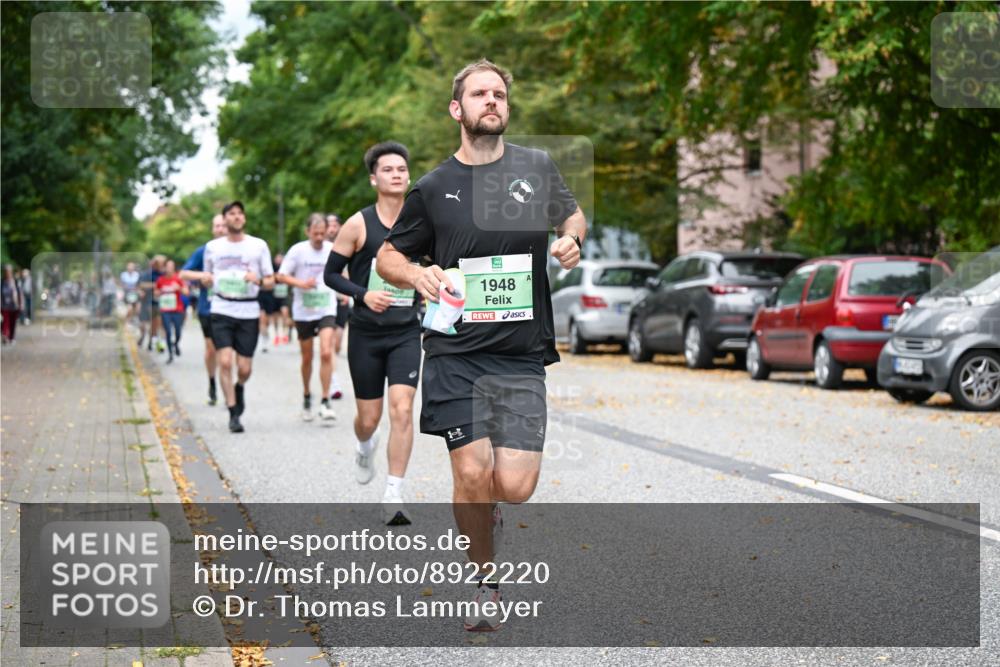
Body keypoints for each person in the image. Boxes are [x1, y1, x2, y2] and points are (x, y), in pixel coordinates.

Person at [377, 59, 586, 631]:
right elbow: (388, 256)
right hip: (454, 352)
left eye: (498, 94)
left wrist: (569, 240)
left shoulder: (536, 167)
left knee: (514, 487)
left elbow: (573, 216)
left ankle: (486, 512)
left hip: (519, 354)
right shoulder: (435, 186)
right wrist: (416, 276)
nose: (490, 101)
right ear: (458, 109)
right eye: (479, 94)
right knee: (470, 470)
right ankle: (483, 582)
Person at [324, 141, 422, 526]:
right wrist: (363, 295)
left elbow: (437, 263)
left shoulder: (421, 221)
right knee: (370, 417)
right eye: (388, 169)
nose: (396, 174)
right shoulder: (358, 224)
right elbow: (330, 274)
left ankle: (394, 493)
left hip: (405, 332)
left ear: (408, 176)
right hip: (366, 333)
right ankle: (365, 446)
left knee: (402, 409)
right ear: (373, 178)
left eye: (401, 169)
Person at [203, 201, 275, 433]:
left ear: (244, 218)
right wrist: (206, 281)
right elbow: (208, 277)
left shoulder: (258, 246)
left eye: (239, 214)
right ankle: (233, 411)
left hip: (248, 310)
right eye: (231, 214)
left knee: (244, 368)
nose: (236, 217)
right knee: (224, 361)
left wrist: (258, 280)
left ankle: (240, 386)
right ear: (224, 220)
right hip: (222, 308)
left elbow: (271, 281)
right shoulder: (213, 247)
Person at [278, 213, 339, 424]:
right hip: (303, 310)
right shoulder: (298, 250)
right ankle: (306, 395)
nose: (320, 237)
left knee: (325, 352)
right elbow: (281, 275)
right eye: (316, 233)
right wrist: (300, 284)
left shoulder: (332, 249)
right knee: (307, 357)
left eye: (322, 233)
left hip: (325, 307)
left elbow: (341, 273)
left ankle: (325, 400)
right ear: (308, 232)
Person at [179, 214, 228, 405]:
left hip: (232, 309)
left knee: (227, 352)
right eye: (217, 226)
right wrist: (203, 276)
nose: (220, 229)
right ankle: (212, 383)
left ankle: (228, 388)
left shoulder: (239, 250)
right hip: (208, 308)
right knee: (211, 349)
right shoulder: (204, 251)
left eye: (223, 225)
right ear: (212, 229)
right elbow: (183, 273)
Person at [326, 213, 347, 400]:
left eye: (335, 225)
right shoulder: (319, 247)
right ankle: (333, 381)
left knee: (338, 343)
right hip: (324, 302)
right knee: (329, 343)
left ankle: (331, 370)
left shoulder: (348, 243)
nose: (331, 228)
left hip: (342, 300)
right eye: (329, 225)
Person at [154, 259, 188, 364]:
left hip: (177, 309)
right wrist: (159, 292)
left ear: (173, 268)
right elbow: (156, 292)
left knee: (178, 331)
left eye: (171, 266)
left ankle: (176, 344)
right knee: (168, 332)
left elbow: (186, 292)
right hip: (165, 309)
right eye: (167, 266)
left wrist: (178, 288)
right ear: (164, 268)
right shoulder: (160, 280)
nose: (169, 268)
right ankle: (170, 355)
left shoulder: (178, 279)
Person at [137, 257, 161, 350]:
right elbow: (139, 285)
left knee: (153, 324)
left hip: (155, 303)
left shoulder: (160, 274)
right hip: (145, 302)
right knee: (143, 323)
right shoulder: (144, 274)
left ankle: (151, 341)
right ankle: (143, 336)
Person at [1, 265, 23, 345]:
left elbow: (20, 294)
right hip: (4, 306)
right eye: (6, 271)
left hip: (14, 306)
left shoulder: (16, 282)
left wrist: (21, 304)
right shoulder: (2, 282)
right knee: (4, 322)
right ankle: (5, 336)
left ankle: (11, 337)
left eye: (8, 271)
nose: (7, 273)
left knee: (12, 323)